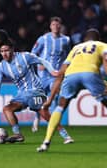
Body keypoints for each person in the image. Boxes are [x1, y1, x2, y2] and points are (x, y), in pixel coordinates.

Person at [37, 28, 107, 152]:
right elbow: (106, 60)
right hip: (90, 73)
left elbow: (60, 74)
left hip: (71, 75)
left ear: (85, 39)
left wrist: (50, 99)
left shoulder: (76, 48)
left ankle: (46, 142)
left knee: (60, 107)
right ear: (98, 39)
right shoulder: (102, 45)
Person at [0, 39, 60, 143]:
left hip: (35, 91)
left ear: (12, 49)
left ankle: (64, 134)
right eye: (2, 51)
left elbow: (42, 61)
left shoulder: (25, 57)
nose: (4, 54)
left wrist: (53, 71)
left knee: (44, 113)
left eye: (6, 50)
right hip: (22, 95)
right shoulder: (1, 66)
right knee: (7, 109)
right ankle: (18, 134)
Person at [31, 16, 74, 144]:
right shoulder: (43, 39)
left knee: (55, 98)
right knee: (39, 100)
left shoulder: (66, 40)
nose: (56, 27)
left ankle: (59, 128)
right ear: (50, 26)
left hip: (56, 76)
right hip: (43, 75)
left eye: (58, 25)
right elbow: (33, 53)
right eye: (53, 25)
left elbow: (68, 55)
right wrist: (40, 63)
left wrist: (65, 68)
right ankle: (37, 117)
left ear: (60, 26)